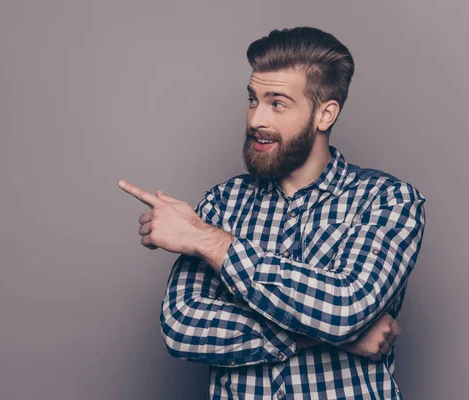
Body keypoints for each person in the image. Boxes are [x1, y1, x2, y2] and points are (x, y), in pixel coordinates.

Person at [118, 26, 426, 399]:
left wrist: (206, 240)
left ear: (324, 114)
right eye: (253, 100)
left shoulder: (387, 200)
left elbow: (346, 306)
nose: (255, 120)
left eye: (277, 103)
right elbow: (182, 326)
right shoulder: (221, 203)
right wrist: (335, 336)